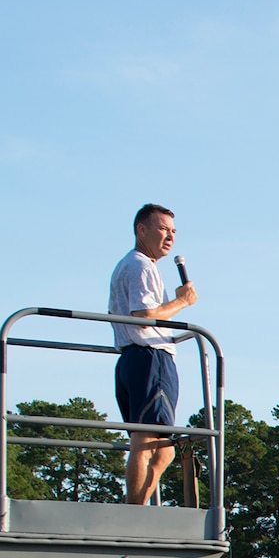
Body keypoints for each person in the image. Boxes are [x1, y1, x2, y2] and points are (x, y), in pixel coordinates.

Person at [108, 204, 198, 505]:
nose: (169, 236)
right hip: (149, 358)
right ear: (141, 229)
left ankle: (136, 506)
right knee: (147, 443)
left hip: (135, 360)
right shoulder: (141, 265)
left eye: (173, 231)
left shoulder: (129, 264)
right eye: (162, 229)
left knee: (163, 448)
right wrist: (181, 302)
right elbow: (144, 315)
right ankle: (134, 510)